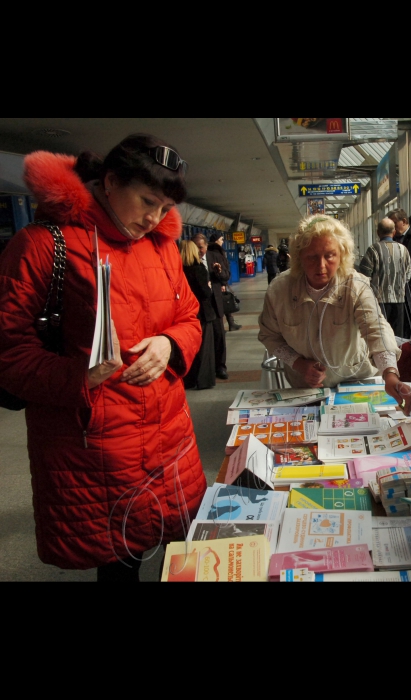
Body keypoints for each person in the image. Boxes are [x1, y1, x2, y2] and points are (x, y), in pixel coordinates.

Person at [0, 134, 207, 581]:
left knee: (182, 557)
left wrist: (170, 343)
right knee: (118, 564)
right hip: (95, 448)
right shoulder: (41, 246)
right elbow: (8, 353)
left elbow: (190, 315)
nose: (154, 219)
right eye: (147, 201)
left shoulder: (163, 247)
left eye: (166, 209)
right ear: (110, 181)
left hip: (169, 435)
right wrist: (81, 376)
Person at [258, 215, 411, 415]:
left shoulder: (356, 285)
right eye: (312, 257)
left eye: (330, 255)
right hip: (306, 390)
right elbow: (269, 335)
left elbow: (377, 329)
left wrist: (390, 373)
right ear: (299, 257)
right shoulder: (279, 290)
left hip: (356, 381)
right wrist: (299, 364)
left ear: (342, 255)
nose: (321, 266)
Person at [359, 218, 411, 337]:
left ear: (378, 232)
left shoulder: (373, 250)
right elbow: (408, 275)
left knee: (381, 335)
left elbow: (364, 275)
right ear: (393, 233)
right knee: (397, 336)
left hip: (378, 301)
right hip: (399, 300)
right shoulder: (404, 250)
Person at [180, 239, 216, 390]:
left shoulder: (178, 269)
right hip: (202, 312)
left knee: (189, 347)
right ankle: (204, 380)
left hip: (185, 314)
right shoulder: (199, 268)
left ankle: (188, 379)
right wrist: (209, 287)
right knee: (204, 348)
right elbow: (205, 292)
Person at [193, 233, 228, 379]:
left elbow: (226, 276)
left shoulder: (215, 257)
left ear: (206, 246)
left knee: (219, 335)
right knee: (200, 338)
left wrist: (219, 273)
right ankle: (202, 369)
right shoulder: (189, 259)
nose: (198, 250)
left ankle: (220, 367)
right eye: (195, 247)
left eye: (200, 247)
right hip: (198, 304)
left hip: (214, 302)